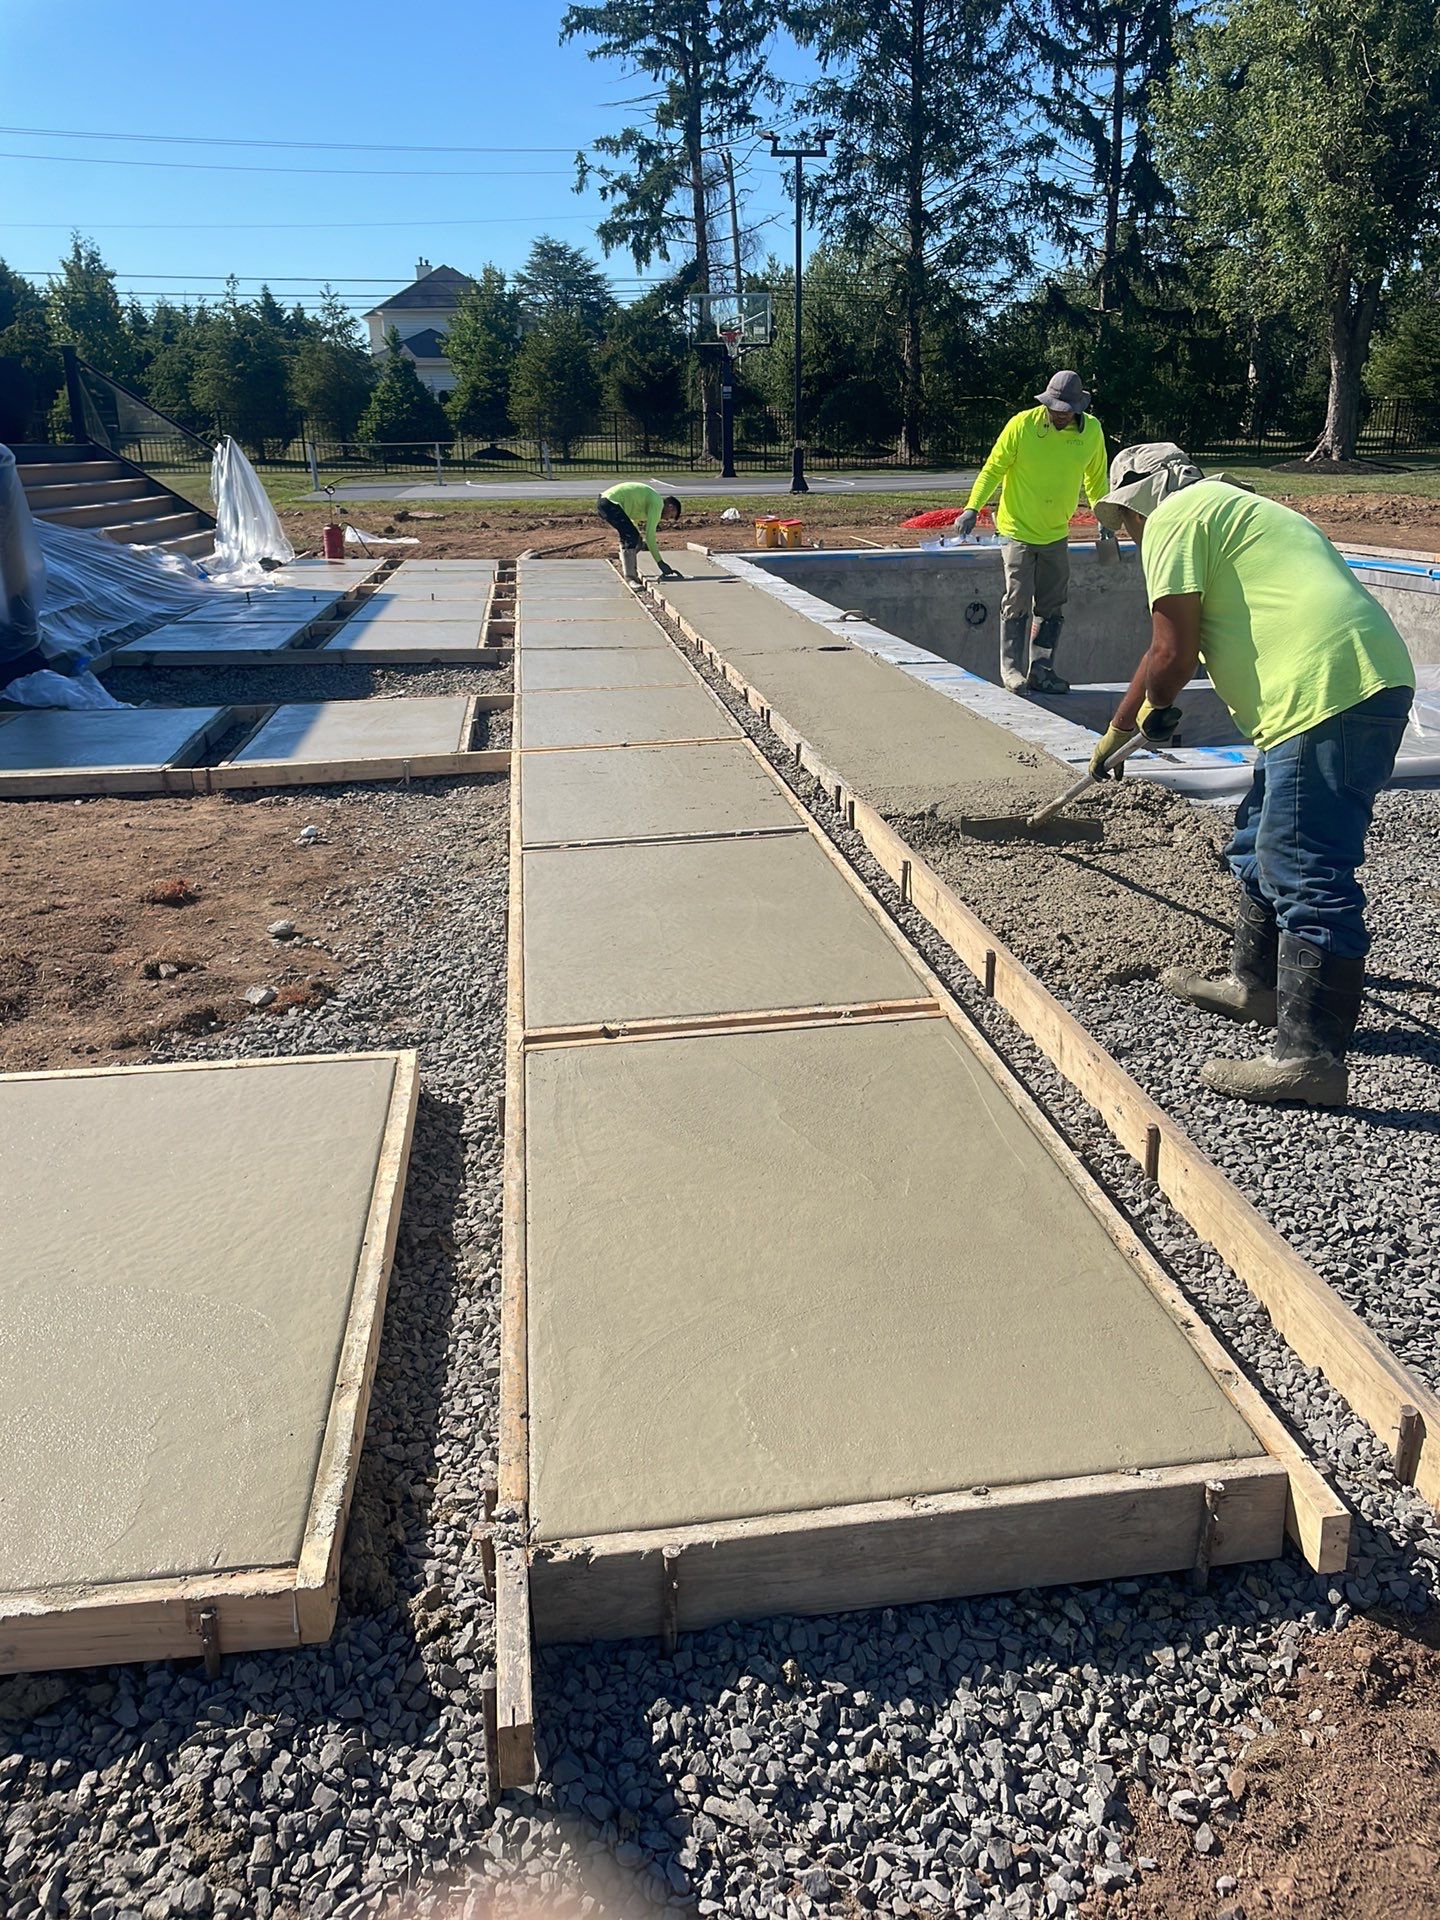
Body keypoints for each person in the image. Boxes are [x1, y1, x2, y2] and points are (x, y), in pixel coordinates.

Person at [1089, 442, 1416, 1108]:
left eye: (1125, 520)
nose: (1129, 534)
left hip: (1326, 691)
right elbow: (1167, 656)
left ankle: (1311, 1061)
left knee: (1305, 864)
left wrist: (1145, 717)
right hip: (1348, 681)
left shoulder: (1177, 517)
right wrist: (1125, 726)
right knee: (1261, 836)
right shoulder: (1235, 508)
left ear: (1143, 498)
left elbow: (1169, 652)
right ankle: (1258, 989)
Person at [954, 370, 1112, 694]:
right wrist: (973, 507)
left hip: (1055, 532)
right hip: (1017, 530)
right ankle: (1011, 670)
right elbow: (993, 469)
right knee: (1017, 597)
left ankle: (1042, 670)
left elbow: (1096, 481)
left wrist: (1104, 515)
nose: (1058, 415)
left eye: (1064, 410)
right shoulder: (1022, 425)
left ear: (1077, 408)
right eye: (1053, 408)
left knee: (1053, 604)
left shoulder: (1092, 432)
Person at [596, 483, 683, 583]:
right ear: (671, 507)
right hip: (611, 503)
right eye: (671, 516)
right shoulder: (658, 503)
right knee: (631, 537)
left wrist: (637, 540)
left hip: (605, 502)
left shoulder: (645, 505)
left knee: (635, 539)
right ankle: (630, 578)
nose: (667, 519)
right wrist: (660, 562)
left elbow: (633, 523)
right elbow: (650, 536)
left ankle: (626, 564)